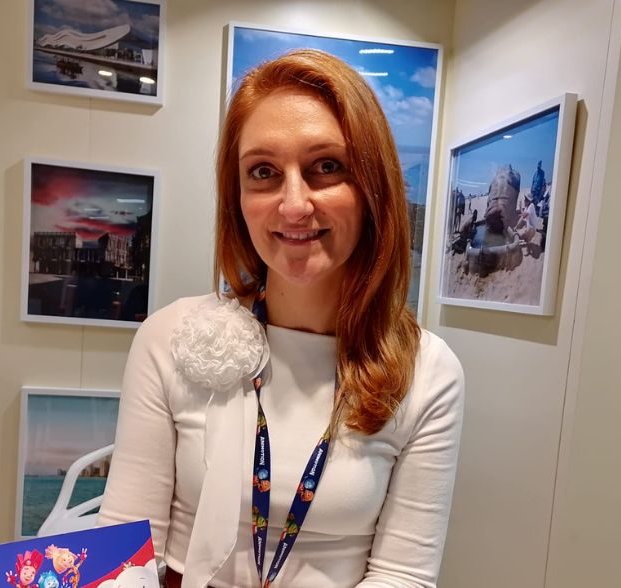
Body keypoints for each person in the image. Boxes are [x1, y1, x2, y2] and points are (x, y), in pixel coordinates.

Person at [98, 49, 464, 588]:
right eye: (263, 172)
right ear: (238, 198)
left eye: (327, 166)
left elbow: (402, 576)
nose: (294, 205)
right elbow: (127, 550)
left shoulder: (428, 372)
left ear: (373, 188)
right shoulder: (169, 337)